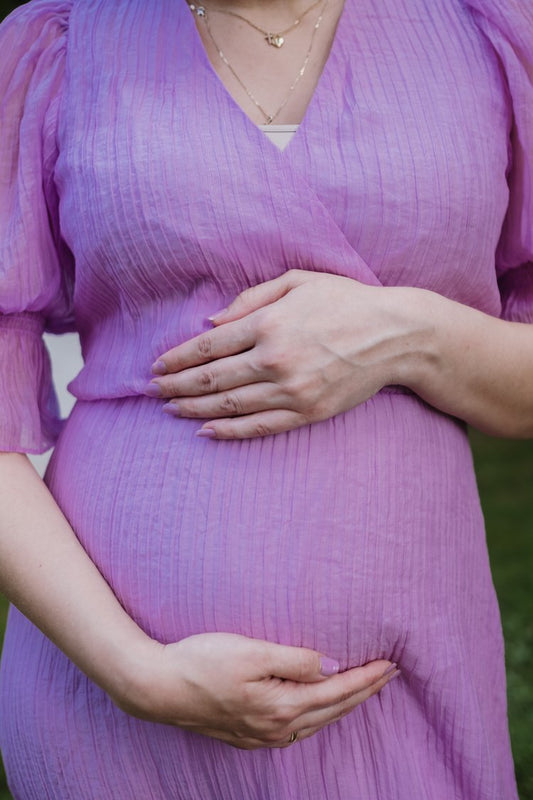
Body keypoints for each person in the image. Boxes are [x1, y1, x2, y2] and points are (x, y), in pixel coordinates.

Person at [0, 0, 531, 797]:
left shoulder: (489, 31)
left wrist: (406, 333)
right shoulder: (58, 43)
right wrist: (135, 671)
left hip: (406, 682)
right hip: (110, 706)